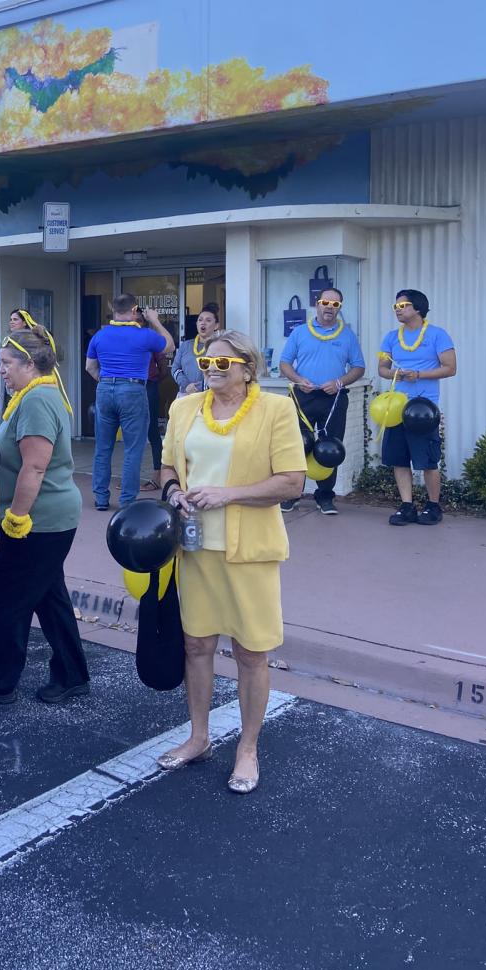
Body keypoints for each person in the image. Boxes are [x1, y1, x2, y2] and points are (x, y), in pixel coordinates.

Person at [159, 330, 306, 793]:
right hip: (196, 547)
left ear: (247, 368)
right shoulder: (183, 408)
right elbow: (165, 467)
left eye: (222, 364)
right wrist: (174, 492)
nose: (210, 369)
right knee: (197, 646)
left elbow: (292, 483)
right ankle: (199, 737)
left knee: (250, 652)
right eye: (205, 361)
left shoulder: (276, 409)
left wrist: (229, 495)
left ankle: (247, 748)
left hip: (250, 552)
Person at [0, 324, 89, 706]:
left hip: (38, 519)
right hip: (47, 517)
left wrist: (14, 519)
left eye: (7, 363)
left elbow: (34, 467)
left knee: (8, 595)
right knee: (49, 597)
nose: (1, 370)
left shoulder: (36, 401)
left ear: (29, 364)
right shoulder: (35, 395)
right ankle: (72, 673)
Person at [279, 287, 365, 515]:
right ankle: (292, 495)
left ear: (339, 308)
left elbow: (358, 367)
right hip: (303, 397)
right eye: (326, 303)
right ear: (317, 303)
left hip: (333, 399)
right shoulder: (299, 332)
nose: (330, 308)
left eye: (335, 305)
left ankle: (325, 497)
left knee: (330, 448)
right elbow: (285, 364)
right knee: (296, 446)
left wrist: (339, 382)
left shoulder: (347, 335)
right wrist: (298, 379)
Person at [85, 294, 174, 510]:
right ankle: (127, 501)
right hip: (133, 390)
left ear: (113, 309)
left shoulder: (100, 335)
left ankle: (101, 499)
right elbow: (169, 346)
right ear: (134, 310)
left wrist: (107, 381)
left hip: (105, 388)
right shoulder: (144, 335)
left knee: (103, 447)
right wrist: (154, 320)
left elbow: (90, 367)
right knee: (133, 449)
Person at [378, 289, 456, 526]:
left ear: (419, 308)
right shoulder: (391, 337)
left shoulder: (437, 335)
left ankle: (433, 506)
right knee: (399, 459)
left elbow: (450, 367)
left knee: (428, 460)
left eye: (403, 305)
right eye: (396, 307)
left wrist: (420, 374)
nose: (398, 310)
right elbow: (382, 369)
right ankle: (407, 506)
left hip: (423, 409)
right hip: (396, 408)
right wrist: (396, 374)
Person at [171, 303, 220, 395]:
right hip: (185, 394)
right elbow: (175, 368)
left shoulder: (220, 347)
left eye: (208, 320)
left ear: (216, 325)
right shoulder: (186, 345)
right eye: (200, 320)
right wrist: (186, 385)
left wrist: (199, 387)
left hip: (209, 395)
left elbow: (220, 373)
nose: (203, 323)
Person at [141, 346, 170, 492]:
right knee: (131, 432)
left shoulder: (150, 339)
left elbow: (164, 367)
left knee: (152, 431)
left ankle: (157, 475)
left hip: (148, 385)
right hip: (130, 386)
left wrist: (155, 380)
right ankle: (130, 479)